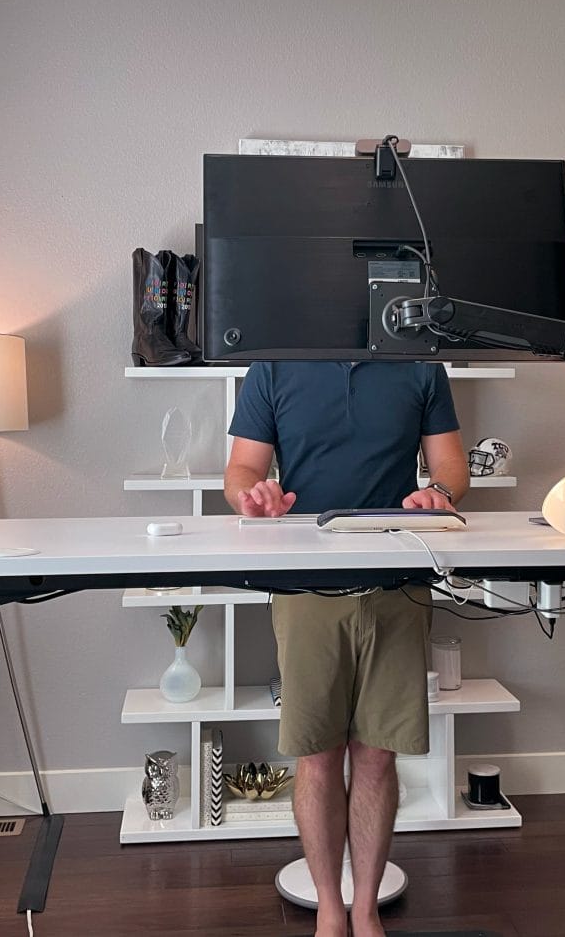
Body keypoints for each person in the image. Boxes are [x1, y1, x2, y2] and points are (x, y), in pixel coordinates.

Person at [223, 360, 469, 937]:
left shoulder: (421, 367)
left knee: (379, 753)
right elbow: (241, 468)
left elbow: (450, 463)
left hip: (398, 585)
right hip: (306, 587)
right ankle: (330, 912)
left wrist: (439, 492)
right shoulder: (273, 368)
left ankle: (366, 911)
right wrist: (251, 497)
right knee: (316, 754)